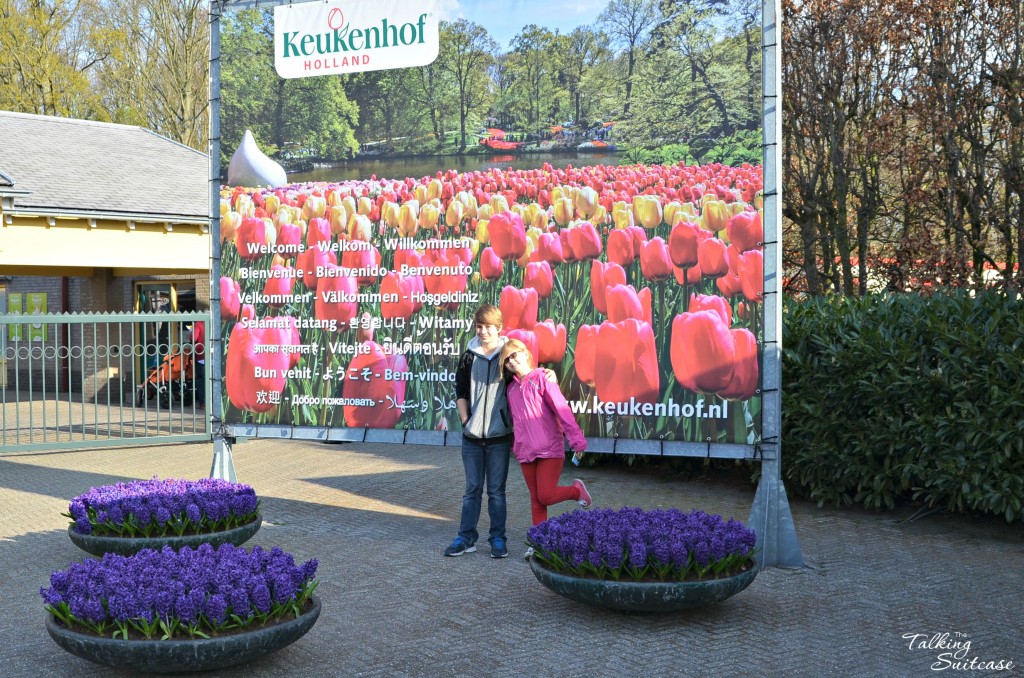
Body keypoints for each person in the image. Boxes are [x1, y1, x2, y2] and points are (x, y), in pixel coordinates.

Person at [500, 337, 592, 554]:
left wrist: (577, 440)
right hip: (525, 451)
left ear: (526, 353)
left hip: (550, 449)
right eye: (507, 360)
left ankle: (576, 491)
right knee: (536, 499)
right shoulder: (510, 389)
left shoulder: (543, 379)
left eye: (515, 354)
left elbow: (562, 410)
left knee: (546, 495)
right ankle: (539, 543)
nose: (512, 361)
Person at [445, 304, 514, 559]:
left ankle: (497, 539)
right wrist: (466, 421)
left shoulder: (508, 355)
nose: (483, 331)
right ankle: (466, 538)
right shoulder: (468, 356)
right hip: (472, 438)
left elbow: (527, 376)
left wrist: (548, 374)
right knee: (472, 489)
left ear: (499, 328)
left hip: (499, 438)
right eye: (479, 326)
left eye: (488, 327)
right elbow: (460, 391)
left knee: (496, 492)